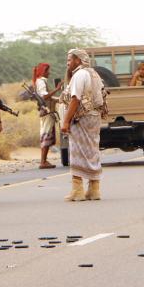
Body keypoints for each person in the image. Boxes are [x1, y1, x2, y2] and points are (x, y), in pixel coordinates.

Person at [61, 49, 105, 201]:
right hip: (94, 117)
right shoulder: (93, 73)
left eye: (69, 59)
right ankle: (94, 189)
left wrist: (66, 121)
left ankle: (77, 190)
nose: (67, 63)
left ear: (78, 60)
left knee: (77, 151)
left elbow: (75, 99)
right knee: (92, 150)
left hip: (81, 118)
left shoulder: (79, 75)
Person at [33, 62, 58, 169]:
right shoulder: (41, 82)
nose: (49, 73)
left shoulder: (40, 81)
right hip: (47, 112)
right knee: (46, 135)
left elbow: (47, 97)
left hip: (47, 112)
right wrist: (57, 89)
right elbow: (44, 97)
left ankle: (44, 160)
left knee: (47, 135)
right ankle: (43, 161)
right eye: (47, 71)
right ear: (43, 71)